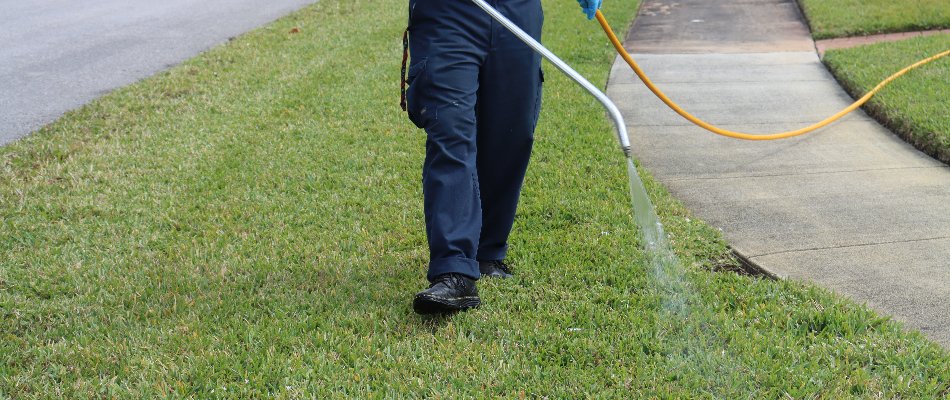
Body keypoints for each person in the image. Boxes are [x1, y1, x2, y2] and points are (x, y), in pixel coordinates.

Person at [403, 0, 603, 314]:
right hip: (448, 14)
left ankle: (486, 251)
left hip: (516, 12)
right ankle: (454, 269)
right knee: (450, 132)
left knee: (511, 131)